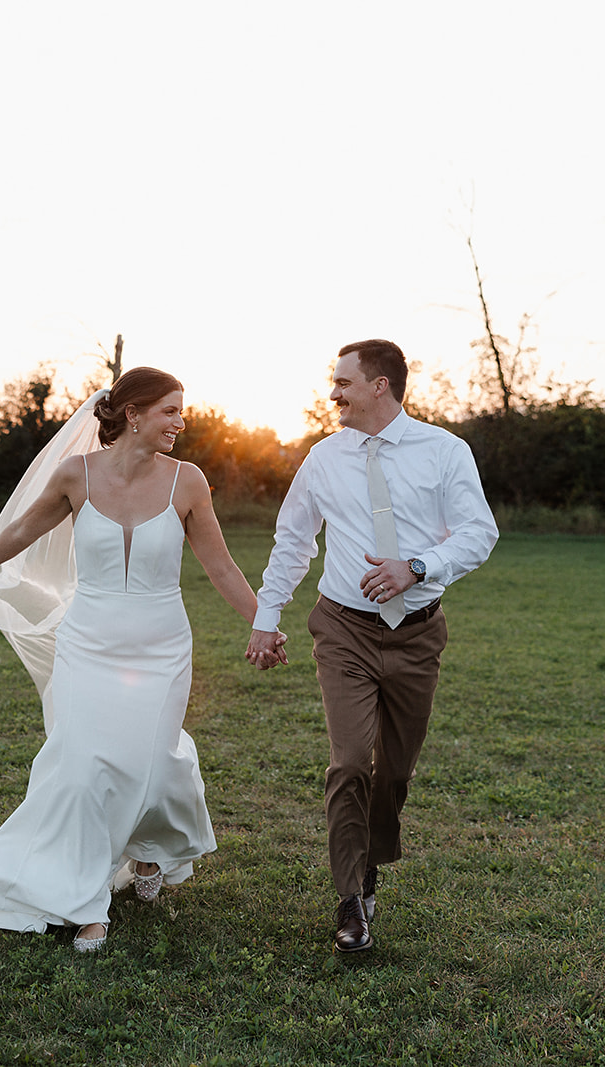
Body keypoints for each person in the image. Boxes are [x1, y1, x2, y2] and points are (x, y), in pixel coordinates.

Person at [0, 367, 274, 953]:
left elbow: (221, 566)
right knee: (83, 768)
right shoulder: (76, 475)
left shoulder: (188, 482)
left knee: (152, 763)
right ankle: (88, 904)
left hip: (161, 643)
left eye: (181, 412)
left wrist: (262, 622)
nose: (180, 423)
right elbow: (27, 525)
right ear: (133, 414)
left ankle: (151, 851)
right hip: (89, 640)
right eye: (169, 411)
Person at [245, 339, 499, 953]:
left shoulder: (444, 452)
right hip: (344, 629)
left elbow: (479, 532)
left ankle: (371, 866)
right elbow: (293, 539)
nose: (333, 393)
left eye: (343, 383)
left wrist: (418, 566)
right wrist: (265, 614)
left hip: (417, 634)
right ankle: (351, 898)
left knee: (395, 772)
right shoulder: (324, 459)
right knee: (352, 760)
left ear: (379, 385)